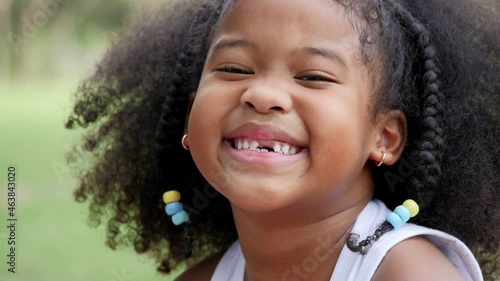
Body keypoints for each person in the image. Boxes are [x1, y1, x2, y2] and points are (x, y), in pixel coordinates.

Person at [65, 0, 499, 280]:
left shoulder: (409, 275)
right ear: (190, 115)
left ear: (384, 137)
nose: (262, 95)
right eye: (235, 69)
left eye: (313, 76)